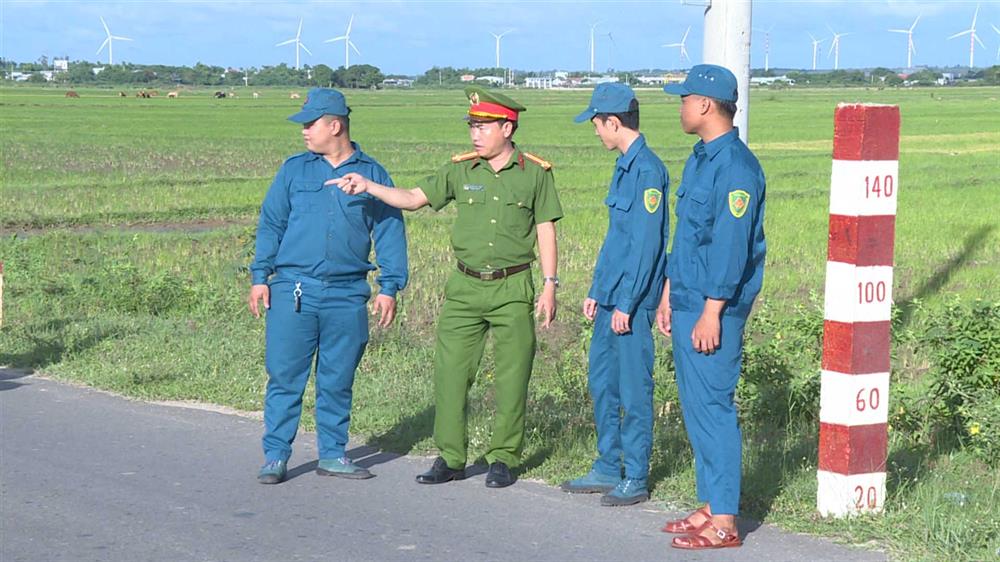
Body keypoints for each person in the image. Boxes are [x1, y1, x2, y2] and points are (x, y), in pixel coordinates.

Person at [332, 86, 562, 489]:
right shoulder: (460, 169)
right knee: (451, 373)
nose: (474, 134)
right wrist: (368, 186)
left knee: (513, 375)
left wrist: (549, 284)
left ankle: (503, 457)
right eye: (472, 126)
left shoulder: (535, 174)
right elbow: (413, 198)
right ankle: (451, 457)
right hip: (464, 287)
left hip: (512, 287)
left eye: (483, 126)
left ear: (507, 128)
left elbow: (545, 229)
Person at [248, 87, 408, 484]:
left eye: (310, 124)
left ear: (334, 125)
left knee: (338, 378)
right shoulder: (294, 170)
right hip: (293, 290)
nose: (303, 131)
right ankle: (276, 455)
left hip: (346, 293)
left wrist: (389, 286)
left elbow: (389, 231)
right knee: (285, 377)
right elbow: (271, 223)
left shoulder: (373, 175)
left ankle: (333, 454)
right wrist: (259, 277)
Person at [656, 64, 766, 549]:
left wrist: (712, 310)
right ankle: (709, 503)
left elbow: (730, 247)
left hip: (712, 307)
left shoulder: (736, 167)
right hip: (687, 298)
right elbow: (689, 238)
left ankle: (725, 520)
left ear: (704, 104)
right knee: (697, 408)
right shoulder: (701, 158)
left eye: (684, 99)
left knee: (715, 408)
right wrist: (668, 292)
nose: (679, 106)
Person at [560, 83, 669, 507]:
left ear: (613, 122)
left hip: (632, 302)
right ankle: (608, 465)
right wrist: (596, 290)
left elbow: (646, 246)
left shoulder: (648, 171)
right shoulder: (623, 166)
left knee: (633, 388)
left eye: (596, 125)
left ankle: (636, 474)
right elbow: (616, 239)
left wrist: (625, 302)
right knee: (603, 383)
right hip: (610, 298)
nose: (595, 133)